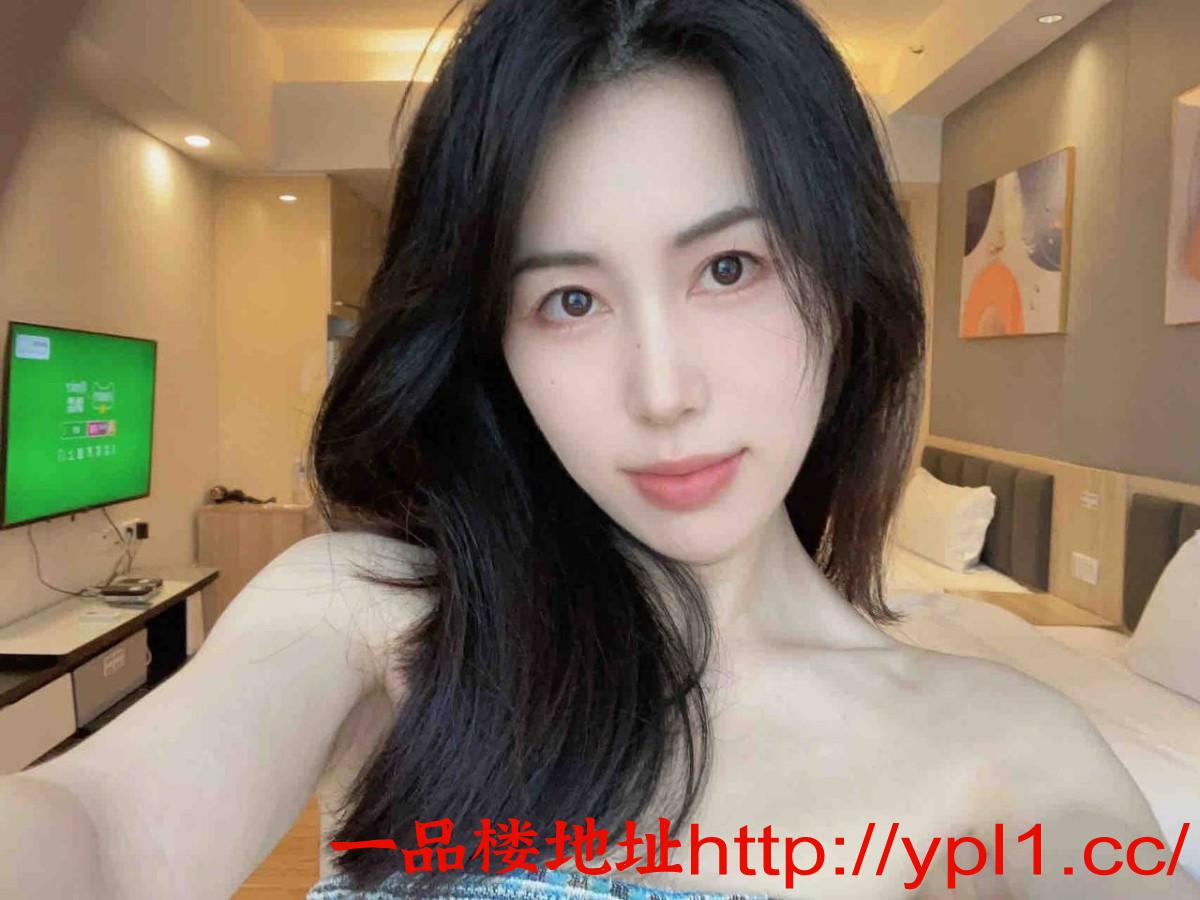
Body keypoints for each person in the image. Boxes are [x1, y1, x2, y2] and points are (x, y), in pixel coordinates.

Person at [3, 1, 1196, 898]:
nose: (662, 393)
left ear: (845, 282)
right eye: (569, 300)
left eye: (729, 268)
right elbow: (100, 832)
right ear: (495, 344)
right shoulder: (378, 619)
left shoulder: (1006, 755)